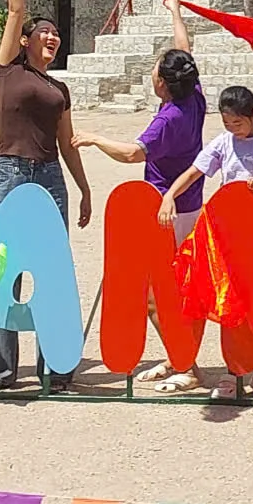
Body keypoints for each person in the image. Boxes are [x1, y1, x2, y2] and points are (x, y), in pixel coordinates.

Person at [0, 0, 94, 393]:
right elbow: (14, 9)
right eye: (43, 32)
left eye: (56, 34)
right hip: (12, 172)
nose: (51, 37)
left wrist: (86, 189)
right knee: (4, 270)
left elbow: (67, 142)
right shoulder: (9, 69)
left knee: (51, 273)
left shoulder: (59, 90)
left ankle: (55, 368)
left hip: (50, 177)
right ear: (26, 40)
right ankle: (3, 370)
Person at [76, 26, 206, 388]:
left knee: (156, 297)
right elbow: (184, 50)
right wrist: (176, 13)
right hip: (189, 206)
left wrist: (94, 138)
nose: (152, 71)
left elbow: (133, 154)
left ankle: (186, 366)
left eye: (155, 69)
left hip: (167, 212)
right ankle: (178, 358)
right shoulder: (193, 95)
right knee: (174, 290)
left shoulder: (169, 119)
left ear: (163, 84)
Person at [157, 83, 253, 397]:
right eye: (227, 124)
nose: (233, 129)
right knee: (227, 301)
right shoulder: (223, 143)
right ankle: (233, 372)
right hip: (226, 237)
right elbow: (195, 172)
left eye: (238, 123)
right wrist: (169, 195)